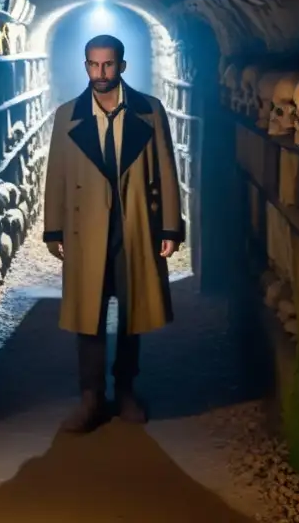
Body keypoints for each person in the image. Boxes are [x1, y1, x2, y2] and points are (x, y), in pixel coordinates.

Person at [42, 33, 184, 432]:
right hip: (85, 229)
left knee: (132, 311)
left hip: (134, 224)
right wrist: (54, 229)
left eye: (107, 64)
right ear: (85, 66)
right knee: (88, 314)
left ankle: (125, 390)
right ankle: (91, 396)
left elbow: (168, 171)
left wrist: (170, 225)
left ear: (122, 66)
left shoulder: (150, 112)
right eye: (93, 64)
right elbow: (56, 176)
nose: (100, 72)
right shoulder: (67, 115)